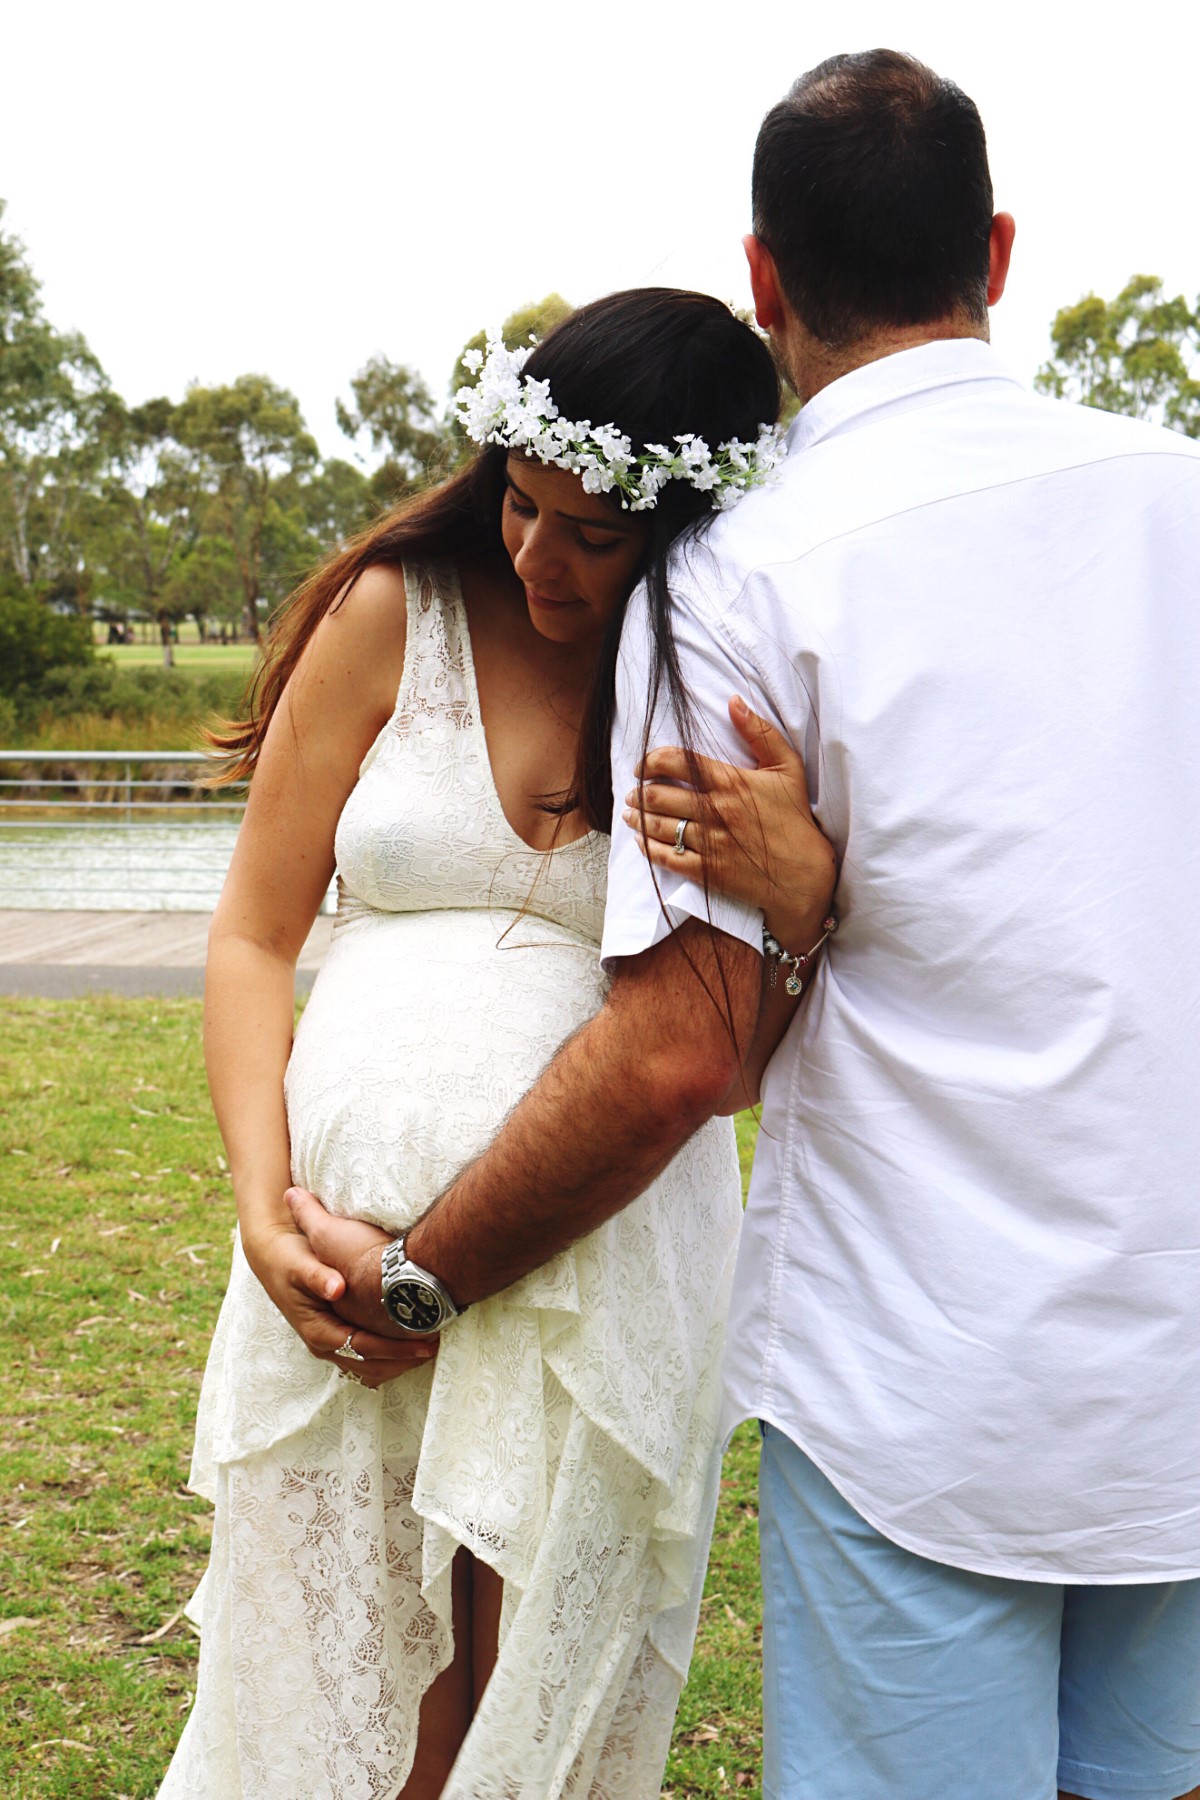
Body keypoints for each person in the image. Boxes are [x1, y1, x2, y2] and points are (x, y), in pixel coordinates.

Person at [292, 50, 1200, 1800]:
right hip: (1172, 1361)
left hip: (923, 1380)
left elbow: (677, 1052)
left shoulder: (747, 569)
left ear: (765, 278)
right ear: (995, 255)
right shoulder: (1179, 500)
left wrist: (424, 1279)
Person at [158, 288, 838, 1800]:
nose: (538, 555)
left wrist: (801, 895)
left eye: (594, 534)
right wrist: (263, 1205)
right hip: (336, 1252)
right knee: (364, 1713)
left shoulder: (722, 671)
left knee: (527, 1718)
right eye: (522, 504)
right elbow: (254, 934)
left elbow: (729, 1050)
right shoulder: (396, 611)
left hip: (595, 1273)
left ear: (679, 526)